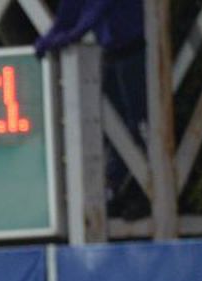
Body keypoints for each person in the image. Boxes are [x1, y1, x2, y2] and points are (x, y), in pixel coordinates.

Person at [34, 0, 147, 214]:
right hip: (111, 54)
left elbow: (94, 11)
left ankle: (138, 193)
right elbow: (70, 13)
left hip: (133, 52)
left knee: (136, 124)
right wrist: (50, 38)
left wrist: (66, 37)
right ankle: (115, 188)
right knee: (113, 127)